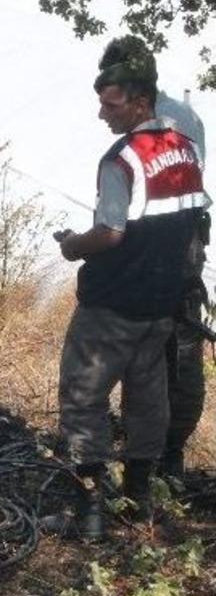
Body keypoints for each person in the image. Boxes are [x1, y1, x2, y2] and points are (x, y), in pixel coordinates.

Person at [51, 46, 208, 540]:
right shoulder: (183, 148)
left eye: (112, 105)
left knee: (83, 398)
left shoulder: (121, 160)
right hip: (161, 302)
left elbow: (112, 233)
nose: (102, 113)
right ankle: (140, 504)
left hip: (113, 304)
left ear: (140, 102)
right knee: (148, 401)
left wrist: (75, 247)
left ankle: (88, 510)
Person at [98, 36, 210, 480]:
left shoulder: (159, 125)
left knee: (155, 350)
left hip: (156, 251)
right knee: (175, 350)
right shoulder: (183, 117)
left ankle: (155, 457)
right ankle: (163, 457)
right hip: (184, 249)